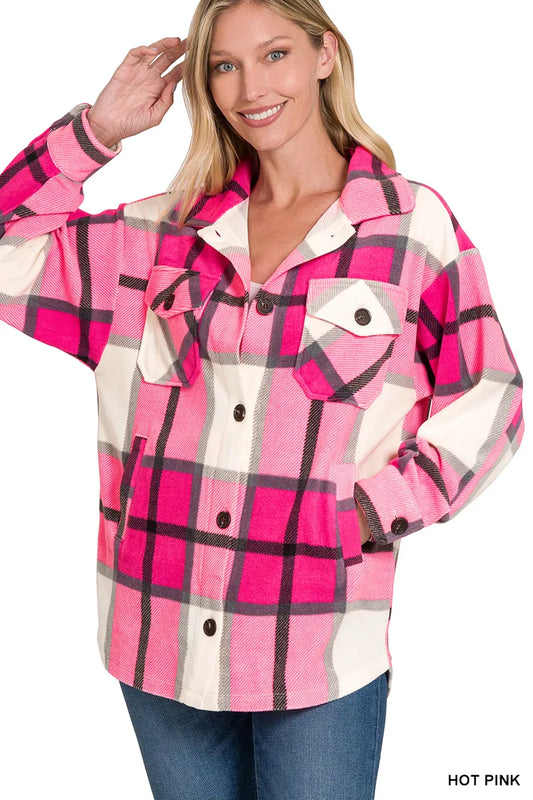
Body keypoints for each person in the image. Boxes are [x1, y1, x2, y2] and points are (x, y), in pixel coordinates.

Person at [0, 0, 524, 798]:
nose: (251, 87)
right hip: (160, 632)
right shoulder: (160, 236)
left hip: (316, 645)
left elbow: (489, 396)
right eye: (225, 65)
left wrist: (369, 511)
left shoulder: (407, 225)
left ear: (324, 55)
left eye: (274, 53)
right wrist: (97, 131)